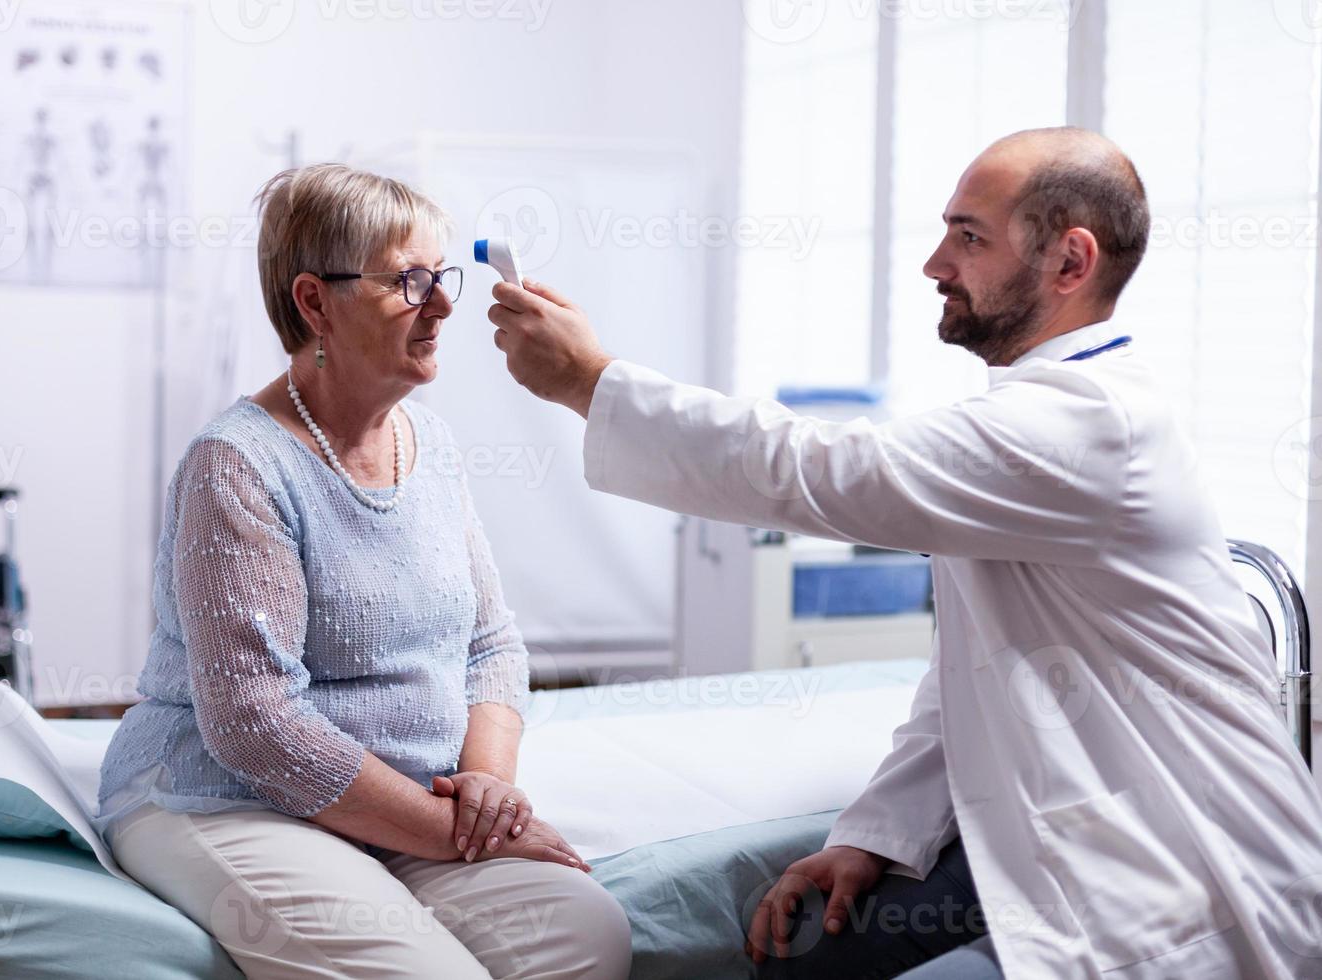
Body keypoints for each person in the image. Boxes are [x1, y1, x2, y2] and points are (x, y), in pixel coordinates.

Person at [486, 127, 1322, 978]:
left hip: (1186, 880)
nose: (934, 262)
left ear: (1071, 262)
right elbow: (974, 674)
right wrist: (873, 835)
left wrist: (591, 381)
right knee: (803, 957)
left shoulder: (1087, 424)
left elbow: (825, 470)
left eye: (969, 236)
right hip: (1068, 850)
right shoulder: (1040, 416)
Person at [96, 164, 631, 980]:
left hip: (409, 807)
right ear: (315, 302)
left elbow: (492, 646)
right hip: (227, 799)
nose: (446, 304)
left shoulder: (433, 446)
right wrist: (452, 831)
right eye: (410, 281)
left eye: (441, 276)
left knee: (585, 932)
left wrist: (485, 790)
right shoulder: (237, 465)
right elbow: (254, 724)